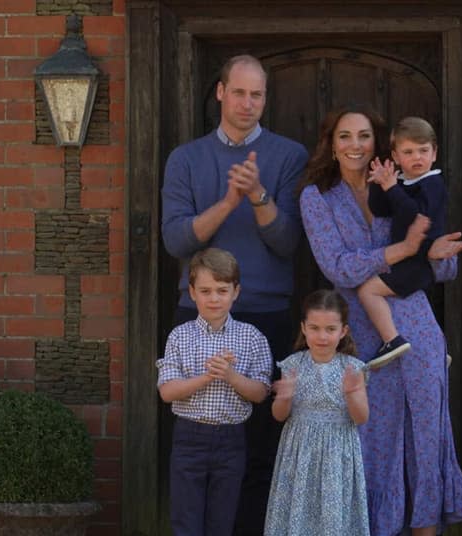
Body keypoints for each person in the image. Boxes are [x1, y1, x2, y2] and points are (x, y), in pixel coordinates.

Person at [298, 103, 462, 536]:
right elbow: (337, 267)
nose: (355, 145)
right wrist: (403, 251)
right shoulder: (317, 197)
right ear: (331, 145)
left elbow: (444, 265)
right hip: (362, 340)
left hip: (419, 331)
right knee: (370, 445)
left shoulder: (406, 187)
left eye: (363, 136)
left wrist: (431, 253)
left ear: (379, 145)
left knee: (426, 441)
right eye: (344, 137)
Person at [160, 54, 309, 534]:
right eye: (239, 92)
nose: (248, 103)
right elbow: (177, 241)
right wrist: (228, 201)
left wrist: (259, 195)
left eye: (258, 94)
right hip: (198, 313)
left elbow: (288, 243)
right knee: (194, 446)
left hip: (265, 313)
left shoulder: (289, 156)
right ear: (221, 93)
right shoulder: (186, 158)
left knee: (260, 444)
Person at [156, 248, 273, 536]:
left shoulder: (252, 337)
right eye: (206, 291)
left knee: (222, 521)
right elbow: (167, 392)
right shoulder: (180, 336)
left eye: (222, 290)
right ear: (192, 293)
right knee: (186, 520)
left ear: (236, 292)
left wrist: (230, 376)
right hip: (189, 438)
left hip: (231, 440)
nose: (214, 298)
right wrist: (207, 377)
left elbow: (260, 393)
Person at [264, 289, 370, 536]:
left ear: (343, 331)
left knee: (333, 518)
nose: (322, 336)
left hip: (337, 452)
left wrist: (353, 394)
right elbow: (279, 416)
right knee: (298, 511)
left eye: (330, 329)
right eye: (314, 328)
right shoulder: (292, 365)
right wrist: (285, 396)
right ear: (303, 327)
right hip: (299, 452)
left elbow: (361, 417)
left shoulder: (353, 368)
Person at [359, 116, 448, 365]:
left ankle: (392, 340)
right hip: (407, 259)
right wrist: (379, 183)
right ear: (396, 157)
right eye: (408, 152)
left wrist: (391, 188)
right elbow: (381, 210)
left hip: (417, 260)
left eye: (423, 150)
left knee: (368, 291)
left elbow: (415, 216)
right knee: (405, 307)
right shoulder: (405, 184)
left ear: (434, 153)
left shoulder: (433, 184)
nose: (417, 157)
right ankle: (433, 347)